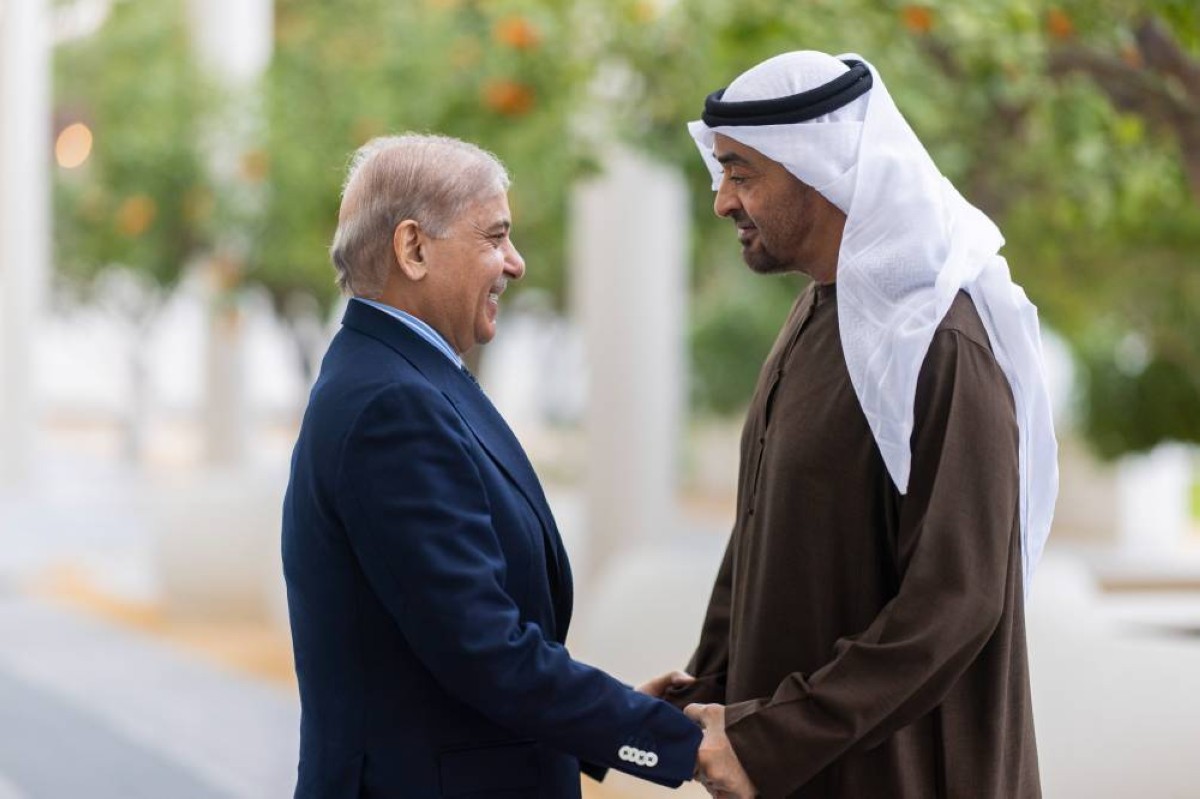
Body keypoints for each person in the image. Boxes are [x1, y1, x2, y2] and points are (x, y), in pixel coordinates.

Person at [667, 52, 1059, 798]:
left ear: (821, 169)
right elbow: (763, 532)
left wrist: (773, 737)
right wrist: (705, 690)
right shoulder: (820, 312)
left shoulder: (940, 340)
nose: (722, 201)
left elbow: (958, 600)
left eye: (742, 174)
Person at [281, 133, 702, 798]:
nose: (516, 262)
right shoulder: (393, 404)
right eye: (495, 236)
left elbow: (455, 653)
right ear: (414, 249)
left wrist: (611, 715)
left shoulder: (400, 377)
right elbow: (482, 650)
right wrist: (671, 741)